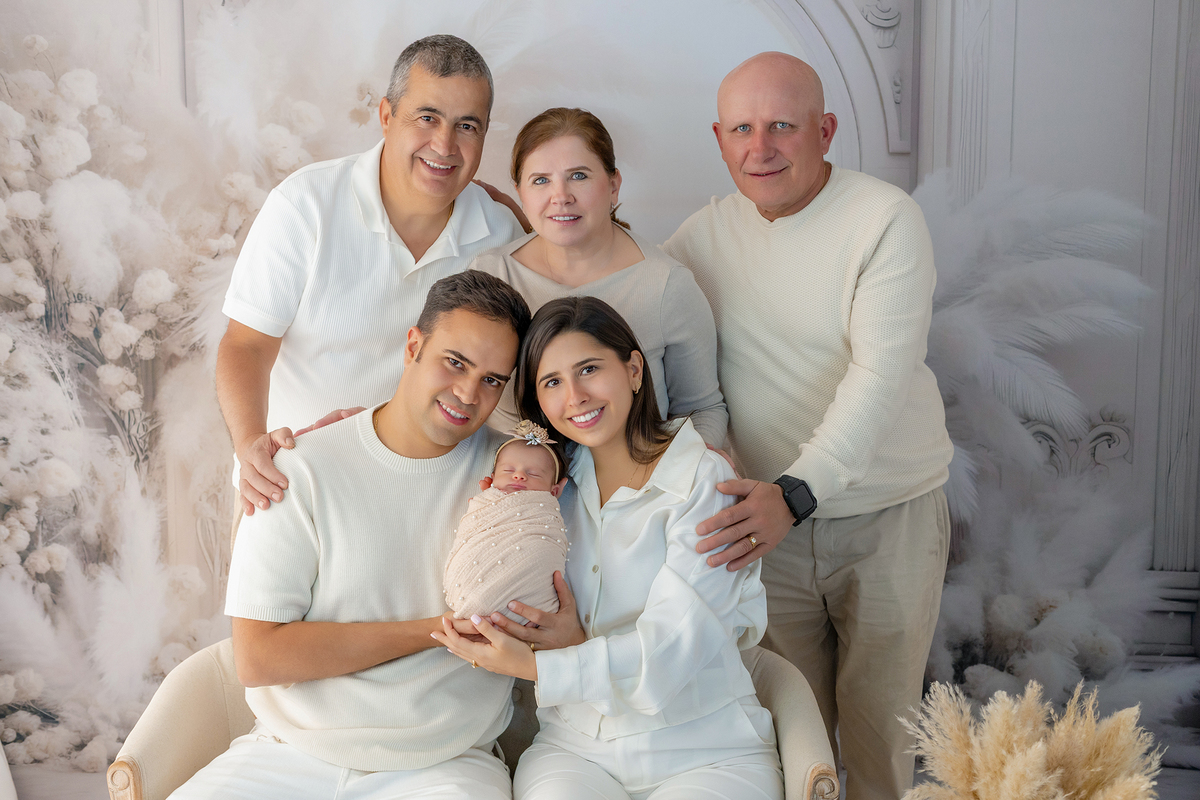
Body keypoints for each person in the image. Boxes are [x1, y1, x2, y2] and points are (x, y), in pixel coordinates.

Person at [662, 52, 954, 800]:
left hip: (884, 519)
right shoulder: (700, 238)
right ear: (720, 139)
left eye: (783, 126)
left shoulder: (884, 218)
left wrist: (795, 493)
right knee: (788, 738)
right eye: (742, 130)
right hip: (769, 533)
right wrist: (518, 222)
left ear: (825, 130)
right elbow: (615, 296)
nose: (760, 148)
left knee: (881, 737)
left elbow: (879, 378)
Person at [169, 270, 533, 800]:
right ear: (414, 345)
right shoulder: (299, 467)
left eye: (493, 379)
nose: (468, 393)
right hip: (287, 752)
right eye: (455, 363)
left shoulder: (517, 476)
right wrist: (439, 629)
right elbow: (258, 657)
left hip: (445, 762)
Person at [432, 297, 783, 800]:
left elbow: (669, 655)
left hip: (704, 748)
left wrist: (541, 663)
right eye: (551, 382)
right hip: (576, 749)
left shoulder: (703, 481)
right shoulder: (541, 483)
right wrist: (323, 431)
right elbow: (430, 443)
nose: (574, 396)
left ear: (634, 369)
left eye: (589, 369)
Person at [216, 34, 523, 519]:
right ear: (385, 116)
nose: (445, 145)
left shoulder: (501, 233)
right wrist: (250, 444)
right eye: (427, 118)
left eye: (467, 126)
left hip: (432, 506)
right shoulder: (306, 206)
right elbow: (246, 344)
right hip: (294, 491)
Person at [470, 107, 727, 448]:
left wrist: (677, 484)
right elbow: (475, 399)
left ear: (614, 185)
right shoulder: (492, 276)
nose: (561, 197)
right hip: (523, 487)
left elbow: (703, 409)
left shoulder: (666, 284)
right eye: (541, 180)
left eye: (579, 176)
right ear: (520, 192)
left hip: (638, 490)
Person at [444, 419, 569, 624]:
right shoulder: (486, 501)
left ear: (554, 491)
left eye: (534, 474)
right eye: (508, 471)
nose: (519, 476)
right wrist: (487, 505)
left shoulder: (546, 513)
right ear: (492, 479)